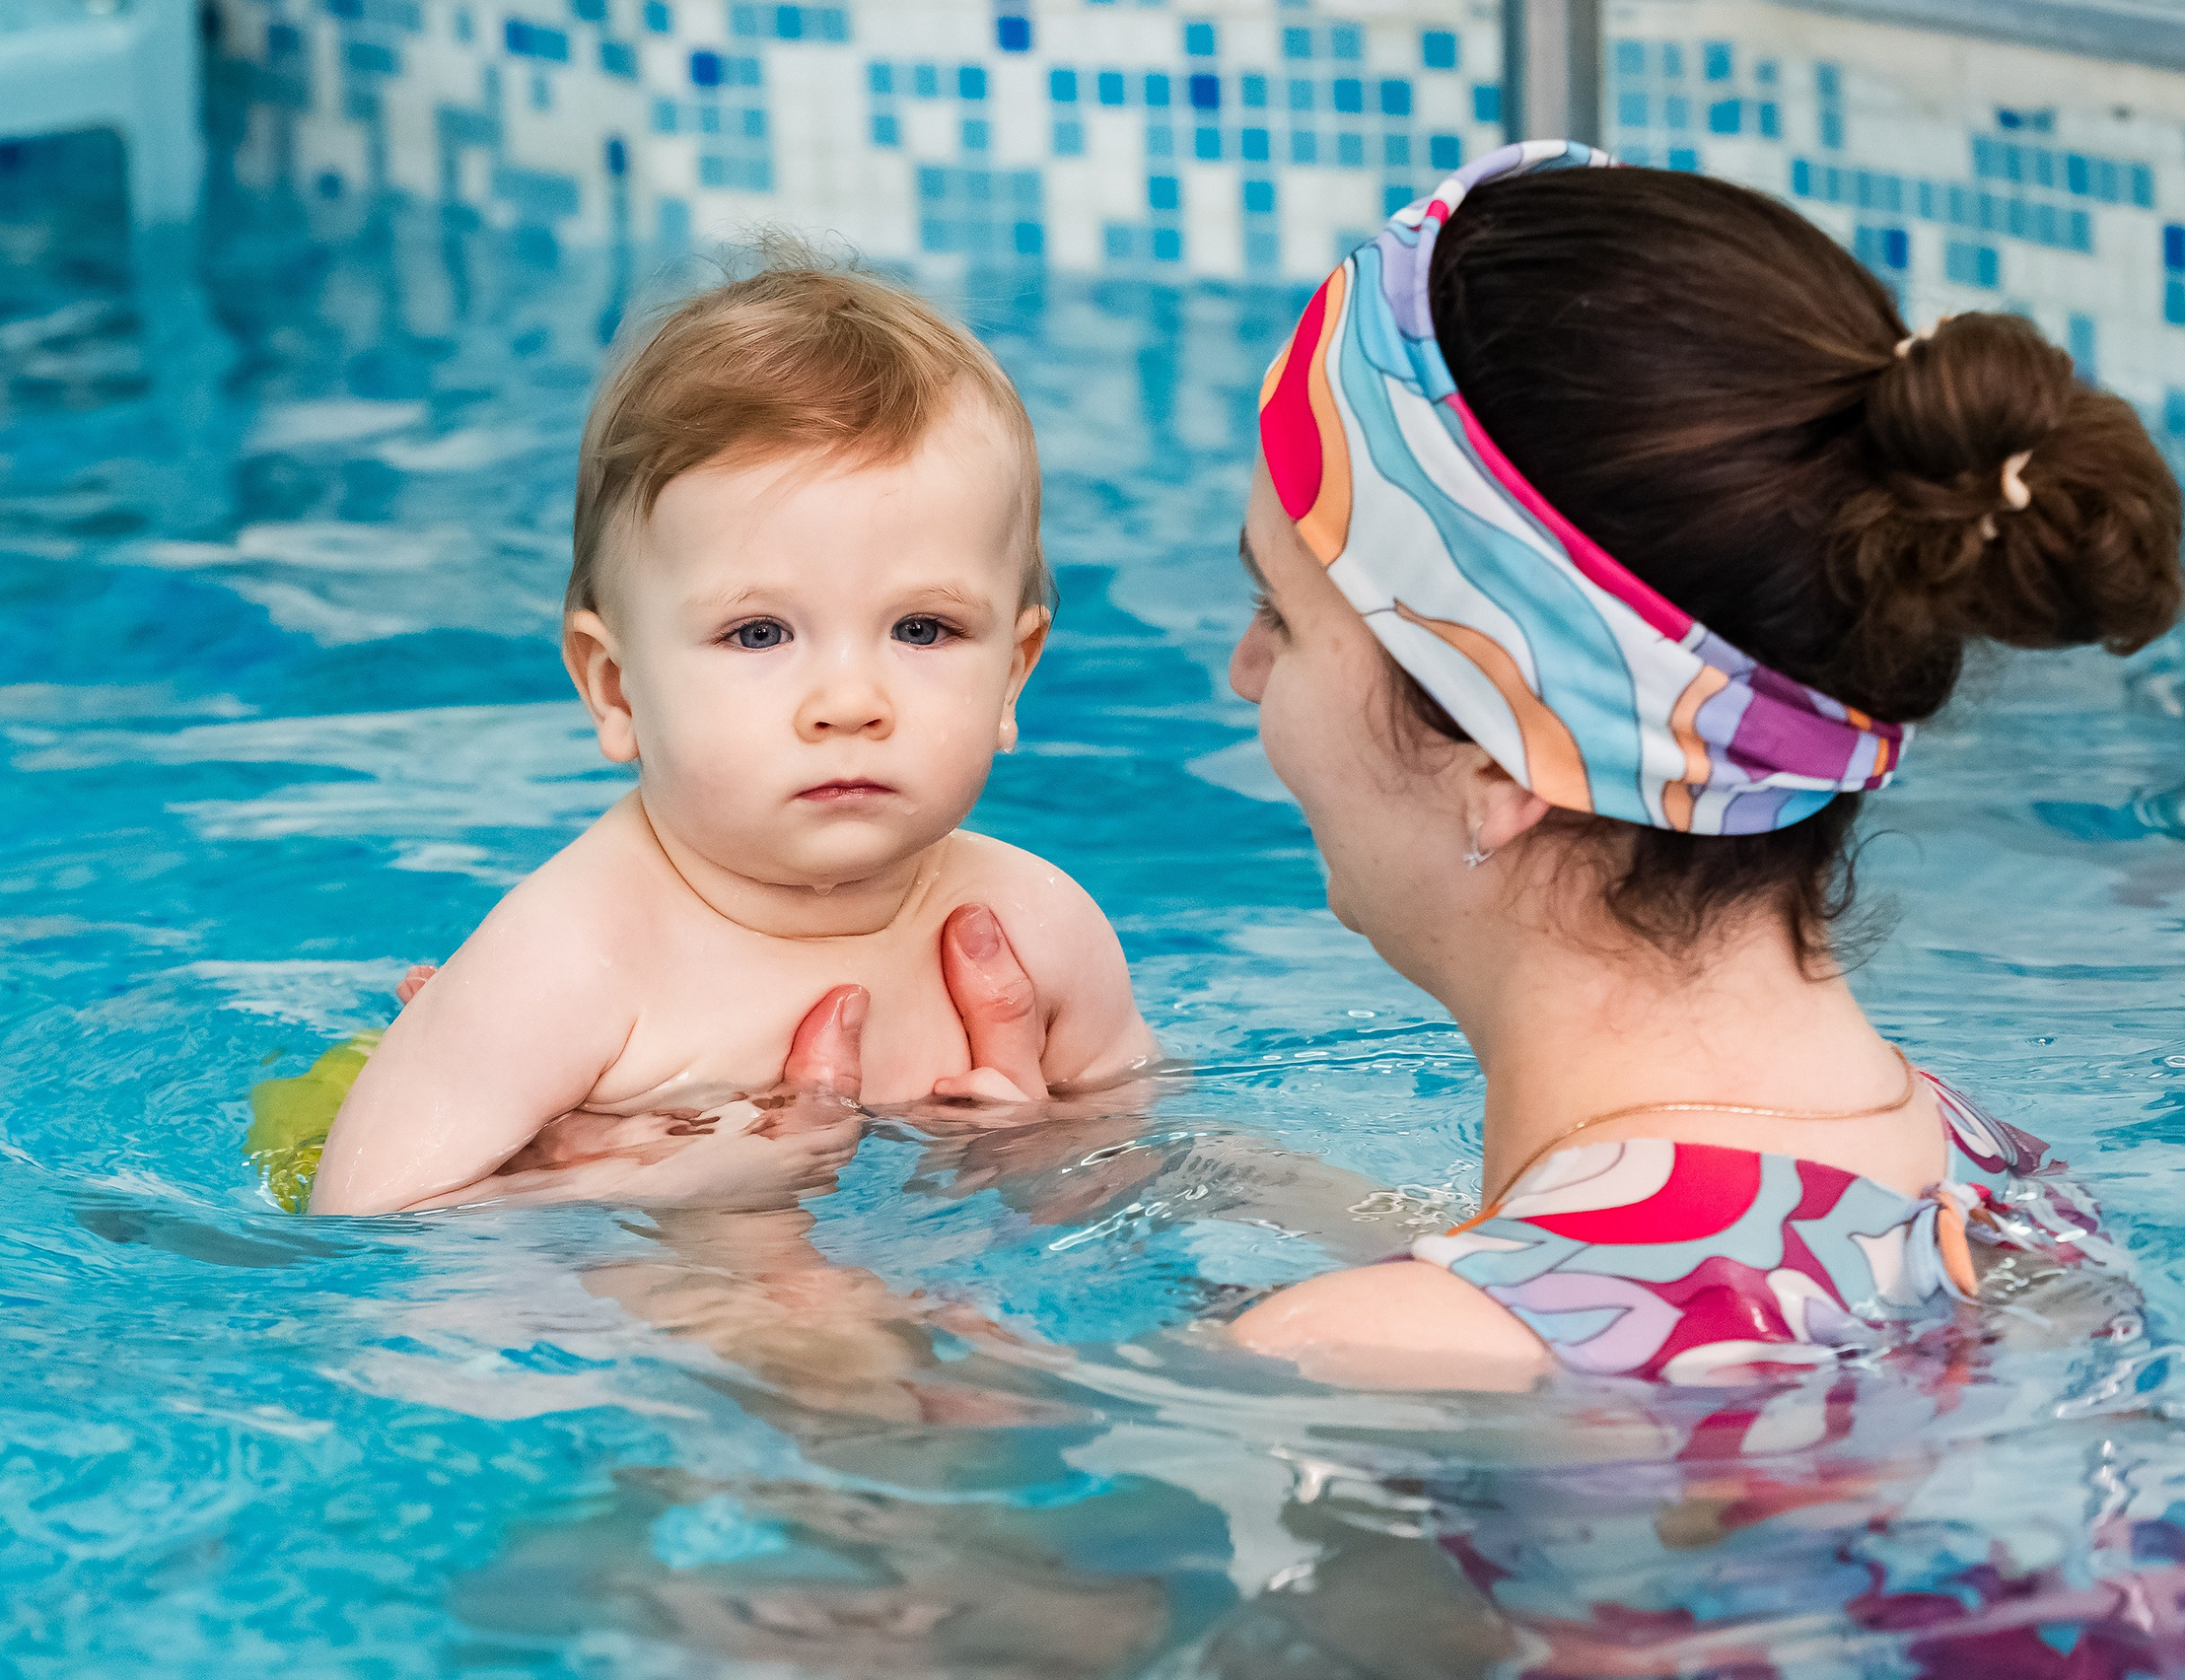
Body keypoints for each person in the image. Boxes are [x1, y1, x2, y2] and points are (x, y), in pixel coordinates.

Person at [922, 142, 2182, 1388]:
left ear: (1501, 752)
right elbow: (1634, 1279)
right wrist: (1139, 1156)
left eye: (1282, 619)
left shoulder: (1374, 1353)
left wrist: (825, 1304)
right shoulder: (1990, 1182)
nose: (1244, 673)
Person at [308, 263, 1155, 1217]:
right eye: (758, 634)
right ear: (616, 688)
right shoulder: (572, 965)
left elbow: (1147, 1151)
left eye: (923, 629)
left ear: (1012, 673)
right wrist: (659, 1183)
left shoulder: (1041, 930)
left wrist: (1042, 1147)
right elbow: (363, 1223)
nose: (850, 703)